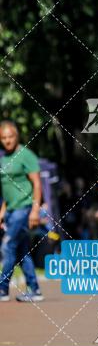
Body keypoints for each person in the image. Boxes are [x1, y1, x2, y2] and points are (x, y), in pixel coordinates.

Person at [0, 121, 44, 302]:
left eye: (10, 137)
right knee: (21, 251)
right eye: (3, 138)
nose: (7, 141)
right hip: (10, 210)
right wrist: (2, 211)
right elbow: (7, 189)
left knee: (7, 245)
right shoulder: (2, 158)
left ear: (16, 136)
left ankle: (2, 289)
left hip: (23, 209)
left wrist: (35, 210)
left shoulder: (26, 155)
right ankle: (35, 290)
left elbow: (37, 183)